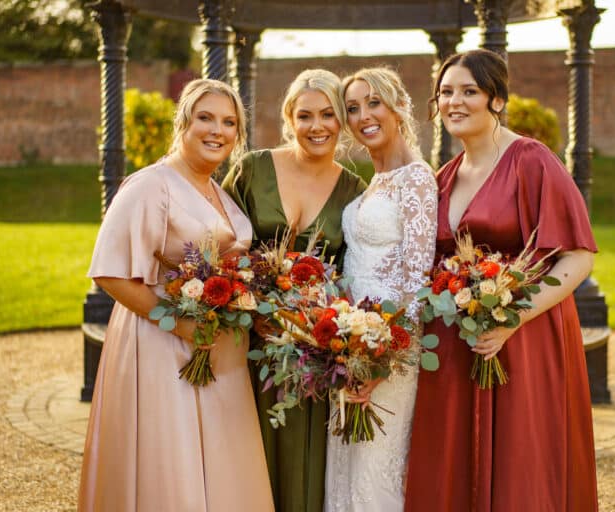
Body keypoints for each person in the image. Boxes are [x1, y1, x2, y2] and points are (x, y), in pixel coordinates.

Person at [405, 49, 599, 511]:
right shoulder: (445, 177)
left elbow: (577, 257)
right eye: (446, 92)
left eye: (469, 91)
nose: (455, 101)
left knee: (522, 461)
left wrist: (515, 317)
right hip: (458, 344)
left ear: (496, 99)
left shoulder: (531, 161)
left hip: (526, 339)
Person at [78, 78, 273, 512]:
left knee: (222, 464)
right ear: (183, 122)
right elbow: (110, 274)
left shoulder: (219, 192)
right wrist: (179, 321)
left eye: (228, 122)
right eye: (205, 118)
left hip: (221, 350)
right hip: (162, 348)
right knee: (172, 463)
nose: (216, 131)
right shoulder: (151, 185)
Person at [222, 69, 366, 512]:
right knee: (242, 453)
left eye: (328, 114)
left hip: (311, 352)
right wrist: (250, 305)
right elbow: (221, 241)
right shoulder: (252, 168)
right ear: (289, 118)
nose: (317, 125)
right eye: (305, 115)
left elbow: (352, 275)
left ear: (341, 121)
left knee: (306, 463)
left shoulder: (355, 190)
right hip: (247, 340)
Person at [323, 67, 437, 512]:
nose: (363, 115)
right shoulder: (373, 181)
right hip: (348, 343)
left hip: (388, 349)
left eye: (374, 102)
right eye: (352, 107)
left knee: (375, 466)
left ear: (399, 107)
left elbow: (415, 279)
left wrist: (382, 362)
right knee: (346, 463)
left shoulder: (416, 179)